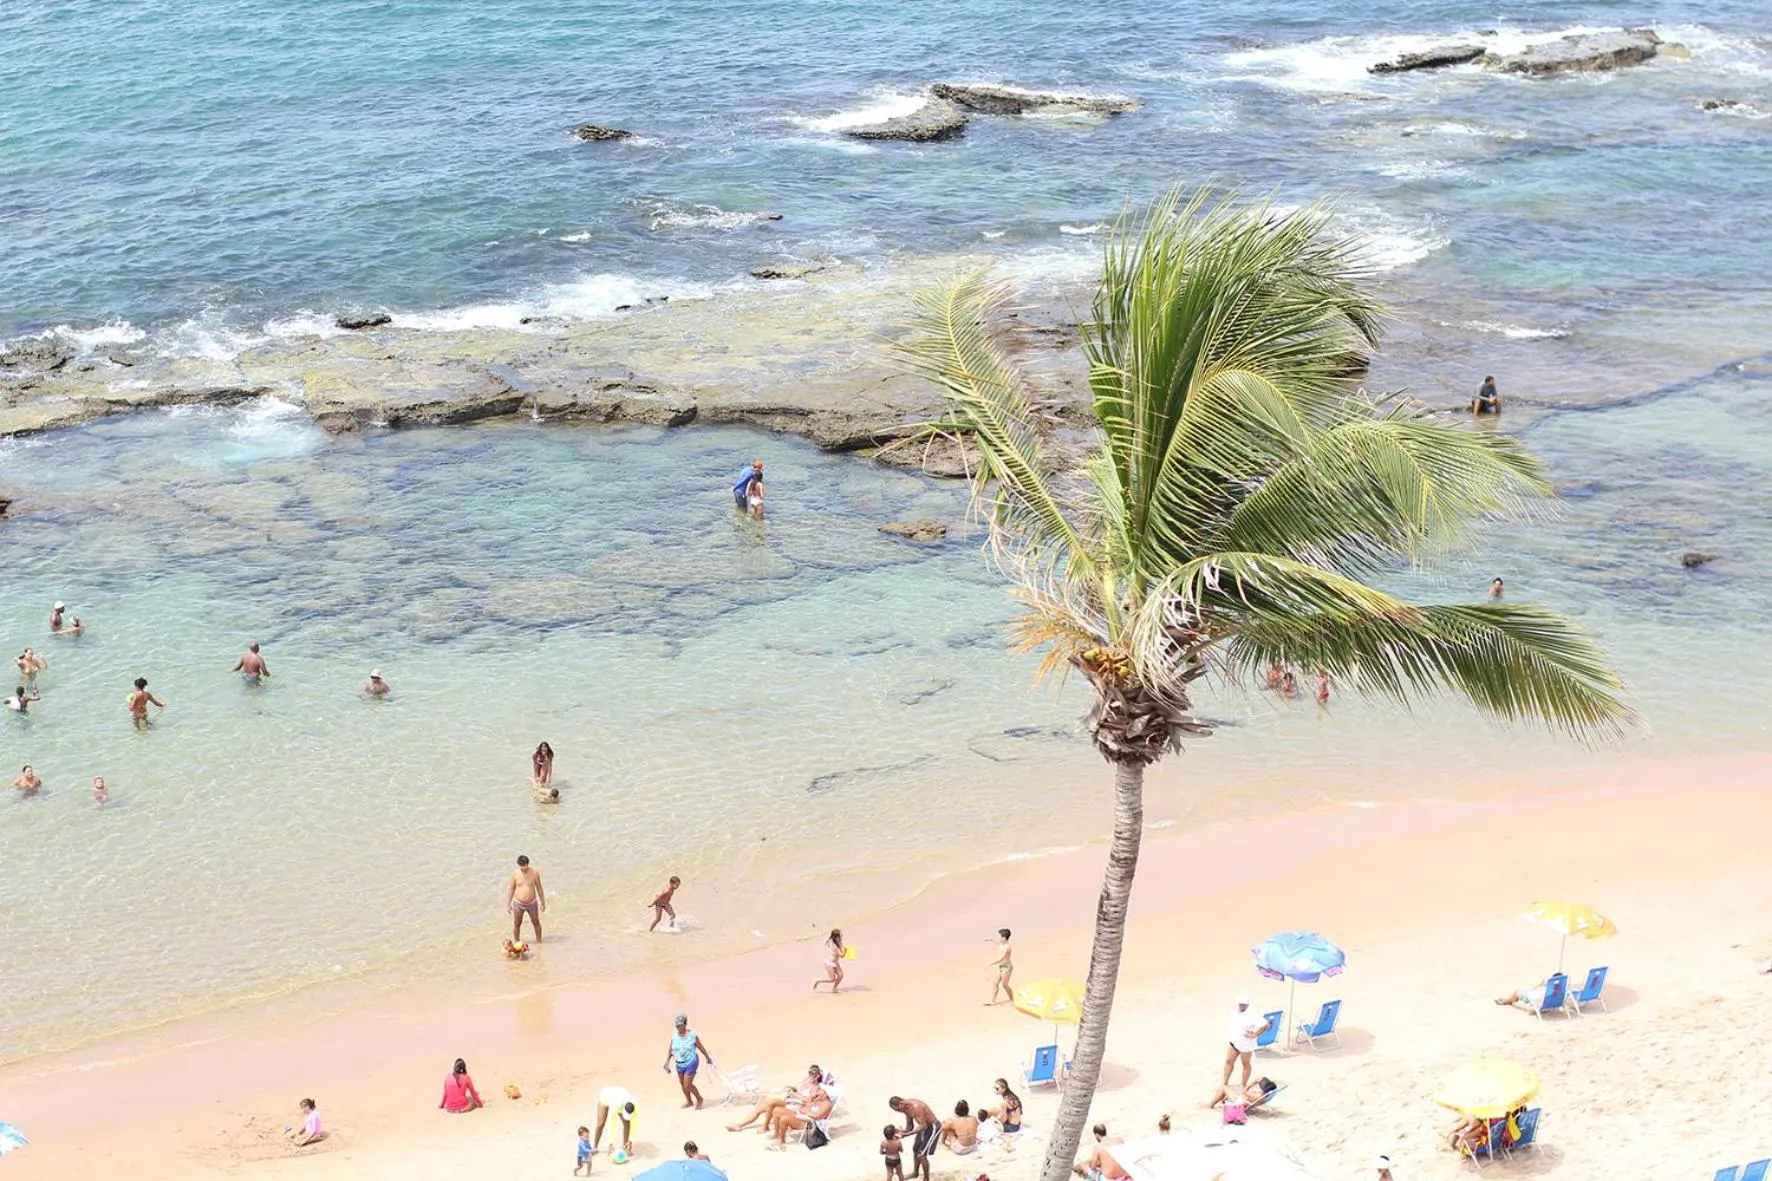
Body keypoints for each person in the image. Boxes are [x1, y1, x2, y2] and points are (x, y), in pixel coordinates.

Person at [726, 1064, 824, 1132]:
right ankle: (740, 1124)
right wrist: (792, 1089)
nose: (811, 1076)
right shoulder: (807, 1081)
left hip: (797, 1105)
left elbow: (809, 1102)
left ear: (818, 1075)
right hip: (791, 1100)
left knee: (771, 1103)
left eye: (813, 1074)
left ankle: (765, 1126)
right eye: (810, 1073)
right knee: (761, 1106)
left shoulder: (817, 1088)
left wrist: (795, 1095)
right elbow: (798, 1089)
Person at [663, 1014, 714, 1108]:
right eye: (676, 1026)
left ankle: (699, 1099)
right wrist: (667, 1062)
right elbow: (671, 1049)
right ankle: (689, 1101)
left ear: (685, 1024)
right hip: (679, 1063)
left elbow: (700, 1047)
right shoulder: (674, 1035)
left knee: (688, 1084)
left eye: (680, 1025)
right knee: (682, 1084)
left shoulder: (692, 1035)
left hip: (691, 1062)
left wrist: (707, 1057)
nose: (678, 1027)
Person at [765, 1078, 831, 1148]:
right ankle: (777, 1134)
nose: (817, 1092)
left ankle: (782, 1139)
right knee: (776, 1110)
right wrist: (796, 1096)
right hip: (800, 1114)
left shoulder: (826, 1105)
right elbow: (805, 1101)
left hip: (807, 1121)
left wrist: (805, 1111)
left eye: (820, 1090)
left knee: (784, 1119)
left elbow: (817, 1116)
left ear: (826, 1094)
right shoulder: (817, 1099)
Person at [1223, 995, 1270, 1087]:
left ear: (1248, 1005)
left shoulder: (1253, 1014)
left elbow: (1266, 1025)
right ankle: (1225, 1083)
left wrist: (1255, 1034)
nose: (1242, 1006)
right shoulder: (1235, 1010)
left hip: (1245, 1045)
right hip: (1234, 1041)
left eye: (1244, 1005)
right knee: (1229, 1061)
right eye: (1240, 1004)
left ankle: (1243, 1084)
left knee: (1245, 1063)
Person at [888, 1096, 939, 1181]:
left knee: (921, 1155)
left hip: (932, 1127)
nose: (899, 1112)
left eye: (898, 1110)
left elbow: (923, 1125)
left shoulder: (916, 1107)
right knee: (915, 1149)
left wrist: (907, 1134)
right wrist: (902, 1132)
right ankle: (915, 1173)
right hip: (924, 1128)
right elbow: (910, 1126)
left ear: (901, 1103)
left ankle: (926, 1178)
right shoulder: (905, 1109)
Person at [507, 854, 545, 942]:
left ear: (528, 864)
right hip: (518, 903)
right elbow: (511, 889)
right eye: (522, 866)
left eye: (525, 865)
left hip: (532, 902)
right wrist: (508, 904)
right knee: (517, 923)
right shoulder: (515, 874)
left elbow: (539, 887)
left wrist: (543, 902)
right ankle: (517, 941)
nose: (524, 867)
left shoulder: (534, 873)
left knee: (536, 922)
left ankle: (539, 941)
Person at [594, 1084, 638, 1155]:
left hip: (619, 1096)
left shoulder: (636, 1105)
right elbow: (611, 1123)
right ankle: (595, 1147)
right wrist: (611, 1143)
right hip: (606, 1097)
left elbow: (635, 1125)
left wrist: (630, 1141)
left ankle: (625, 1147)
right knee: (601, 1123)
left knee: (627, 1123)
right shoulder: (616, 1105)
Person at [814, 928, 845, 992]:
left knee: (841, 975)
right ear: (836, 937)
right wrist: (844, 948)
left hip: (835, 962)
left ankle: (834, 988)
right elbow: (842, 955)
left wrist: (841, 944)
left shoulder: (837, 942)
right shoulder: (834, 946)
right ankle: (818, 981)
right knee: (832, 979)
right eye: (839, 936)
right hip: (830, 963)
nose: (841, 937)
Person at [988, 928, 1014, 1004]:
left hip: (1007, 967)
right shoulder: (1002, 943)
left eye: (1000, 937)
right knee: (995, 983)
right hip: (1001, 967)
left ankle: (1013, 999)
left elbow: (1001, 959)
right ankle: (992, 1001)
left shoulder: (1007, 948)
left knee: (1004, 985)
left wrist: (990, 964)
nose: (999, 938)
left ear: (1004, 938)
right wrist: (990, 939)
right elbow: (997, 942)